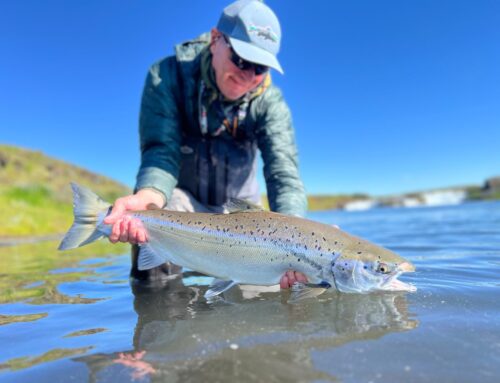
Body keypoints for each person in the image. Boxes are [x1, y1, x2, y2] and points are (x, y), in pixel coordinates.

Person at [104, 0, 308, 289]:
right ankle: (161, 322)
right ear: (215, 40)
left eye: (260, 67)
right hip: (182, 204)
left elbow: (283, 175)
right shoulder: (167, 77)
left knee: (260, 305)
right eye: (241, 59)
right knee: (151, 223)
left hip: (243, 214)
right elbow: (161, 151)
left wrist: (298, 242)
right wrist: (147, 197)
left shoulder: (271, 104)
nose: (248, 75)